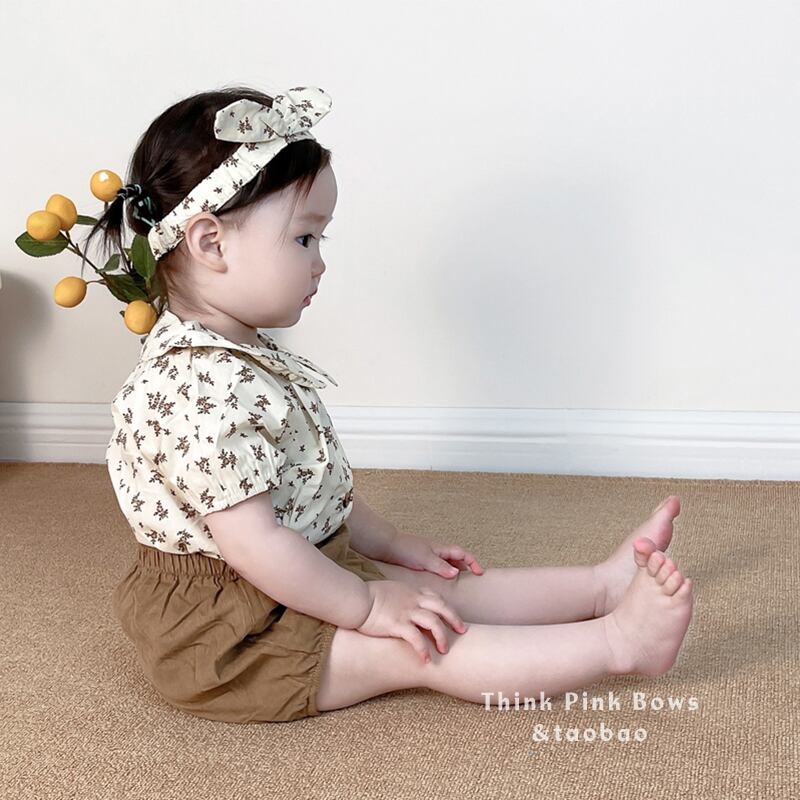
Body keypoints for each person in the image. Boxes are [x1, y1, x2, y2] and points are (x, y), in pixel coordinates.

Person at [97, 84, 694, 724]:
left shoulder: (239, 355)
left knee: (440, 591)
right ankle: (618, 643)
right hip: (233, 632)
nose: (320, 263)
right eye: (304, 239)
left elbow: (305, 488)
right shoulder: (196, 388)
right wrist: (368, 605)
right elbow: (256, 545)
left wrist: (392, 544)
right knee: (420, 644)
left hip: (298, 569)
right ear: (211, 243)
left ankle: (599, 588)